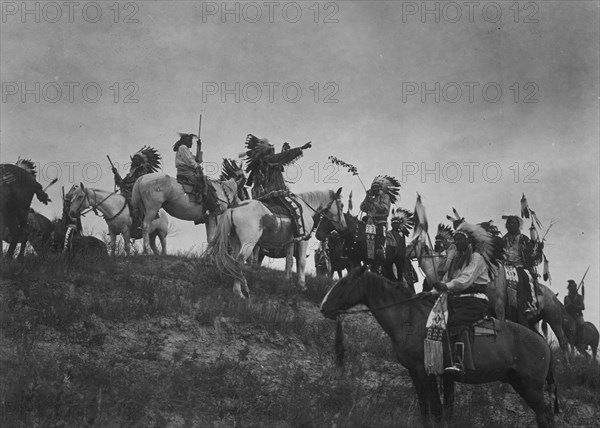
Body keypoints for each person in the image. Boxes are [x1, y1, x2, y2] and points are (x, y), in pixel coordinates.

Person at [430, 222, 502, 373]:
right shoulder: (457, 258)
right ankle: (436, 359)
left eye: (459, 239)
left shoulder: (477, 258)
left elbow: (465, 280)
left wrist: (446, 287)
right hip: (458, 298)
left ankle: (460, 361)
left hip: (474, 300)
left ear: (469, 241)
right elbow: (447, 281)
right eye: (455, 239)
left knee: (457, 321)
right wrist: (431, 293)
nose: (456, 242)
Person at [244, 134, 312, 238]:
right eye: (269, 145)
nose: (271, 146)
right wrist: (302, 148)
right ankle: (299, 235)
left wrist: (283, 151)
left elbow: (280, 158)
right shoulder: (270, 158)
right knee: (296, 208)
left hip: (261, 195)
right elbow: (284, 156)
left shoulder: (261, 161)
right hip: (274, 193)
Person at [112, 146, 161, 236]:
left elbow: (140, 183)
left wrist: (129, 186)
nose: (134, 161)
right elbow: (122, 183)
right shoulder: (131, 173)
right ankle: (115, 226)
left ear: (140, 161)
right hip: (126, 193)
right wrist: (116, 174)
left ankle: (139, 225)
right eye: (133, 159)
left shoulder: (143, 171)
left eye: (136, 159)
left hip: (137, 194)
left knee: (135, 207)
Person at [501, 215, 543, 315]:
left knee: (526, 277)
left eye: (514, 223)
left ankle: (531, 304)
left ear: (518, 225)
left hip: (520, 266)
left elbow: (531, 255)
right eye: (509, 223)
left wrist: (536, 249)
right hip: (505, 267)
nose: (511, 225)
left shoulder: (524, 239)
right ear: (506, 226)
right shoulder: (503, 240)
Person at [360, 176, 400, 274]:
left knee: (381, 236)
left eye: (376, 187)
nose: (374, 189)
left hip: (381, 221)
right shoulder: (371, 198)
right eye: (373, 187)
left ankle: (382, 250)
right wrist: (367, 198)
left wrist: (373, 202)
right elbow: (362, 208)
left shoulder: (385, 196)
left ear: (380, 188)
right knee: (367, 238)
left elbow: (383, 209)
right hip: (370, 222)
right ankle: (368, 257)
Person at [564, 279, 585, 346]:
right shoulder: (566, 298)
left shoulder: (579, 297)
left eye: (572, 287)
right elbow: (564, 308)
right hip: (569, 316)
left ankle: (581, 341)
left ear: (575, 288)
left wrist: (573, 305)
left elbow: (583, 307)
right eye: (570, 287)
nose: (571, 289)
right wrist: (568, 305)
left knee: (581, 324)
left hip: (577, 316)